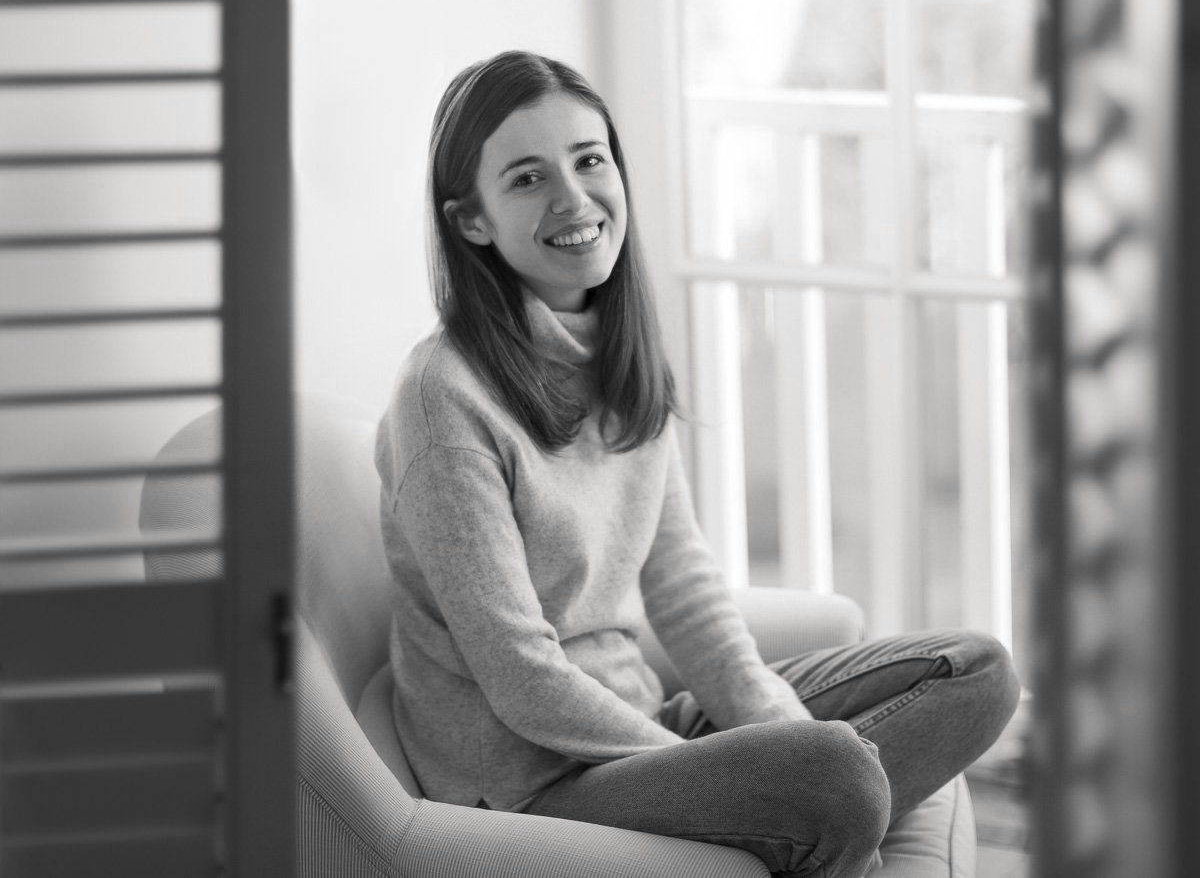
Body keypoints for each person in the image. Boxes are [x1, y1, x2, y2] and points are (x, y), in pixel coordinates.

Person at [375, 50, 1020, 878]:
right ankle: (807, 822)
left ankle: (797, 826)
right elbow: (520, 676)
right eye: (528, 178)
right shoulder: (441, 397)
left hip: (642, 725)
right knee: (837, 779)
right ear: (472, 220)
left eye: (589, 160)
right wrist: (713, 771)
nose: (575, 200)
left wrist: (765, 738)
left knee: (976, 673)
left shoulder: (613, 350)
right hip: (532, 785)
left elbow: (683, 586)